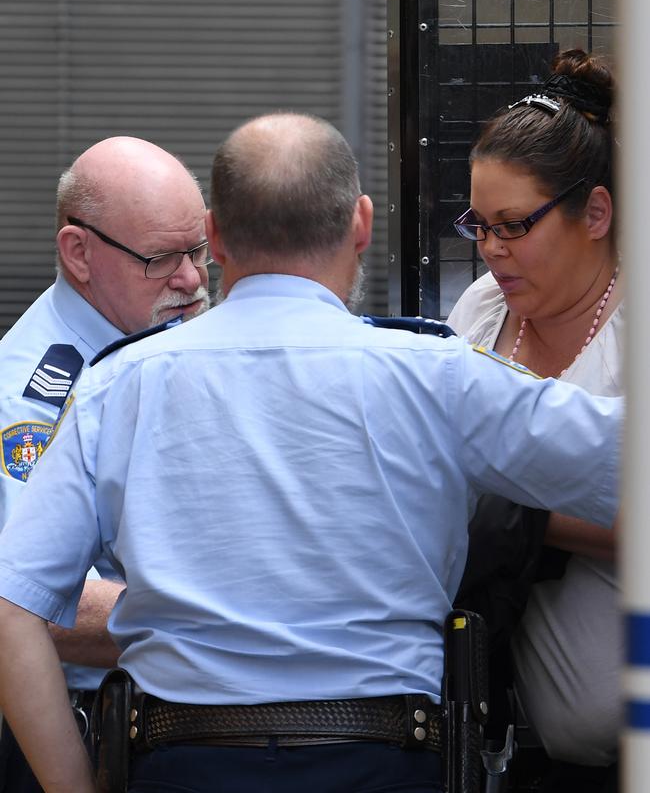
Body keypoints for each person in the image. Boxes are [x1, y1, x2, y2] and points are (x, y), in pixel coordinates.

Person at [0, 112, 622, 793]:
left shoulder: (117, 385)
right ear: (362, 223)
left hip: (181, 760)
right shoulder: (436, 373)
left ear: (214, 235)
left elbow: (11, 608)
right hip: (384, 761)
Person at [0, 135, 211, 793]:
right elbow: (39, 604)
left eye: (200, 250)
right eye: (160, 258)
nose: (192, 280)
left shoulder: (161, 341)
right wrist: (224, 612)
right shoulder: (33, 399)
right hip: (85, 736)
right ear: (78, 254)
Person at [448, 49, 621, 791]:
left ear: (597, 214)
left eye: (515, 226)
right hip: (510, 749)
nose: (492, 251)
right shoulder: (481, 313)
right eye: (479, 226)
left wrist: (520, 513)